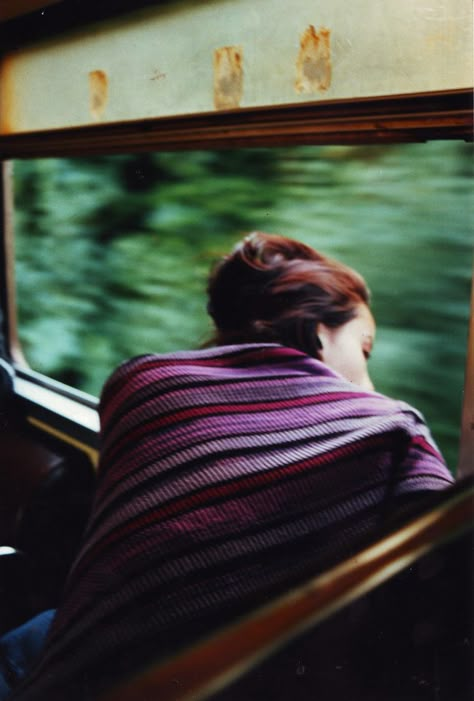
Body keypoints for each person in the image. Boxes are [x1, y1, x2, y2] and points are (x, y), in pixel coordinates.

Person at [11, 232, 453, 700]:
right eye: (364, 351)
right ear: (320, 332)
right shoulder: (390, 427)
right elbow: (442, 580)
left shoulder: (140, 383)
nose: (369, 382)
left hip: (78, 677)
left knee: (43, 633)